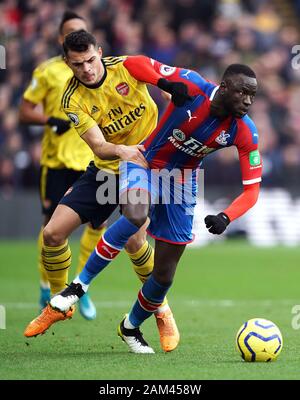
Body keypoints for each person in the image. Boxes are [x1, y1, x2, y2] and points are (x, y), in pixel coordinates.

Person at [35, 54, 262, 354]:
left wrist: (226, 216)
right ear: (224, 86)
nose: (247, 101)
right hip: (145, 162)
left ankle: (130, 326)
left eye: (252, 95)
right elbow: (135, 64)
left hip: (181, 181)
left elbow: (252, 191)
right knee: (135, 212)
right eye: (242, 92)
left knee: (165, 273)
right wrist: (163, 82)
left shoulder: (245, 130)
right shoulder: (193, 85)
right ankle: (77, 287)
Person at [23, 30, 193, 352]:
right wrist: (123, 150)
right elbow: (99, 146)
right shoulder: (71, 99)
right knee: (52, 234)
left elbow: (167, 82)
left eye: (90, 60)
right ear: (67, 64)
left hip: (148, 165)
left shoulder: (128, 67)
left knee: (135, 240)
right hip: (107, 169)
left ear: (99, 52)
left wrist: (172, 98)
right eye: (78, 64)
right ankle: (62, 301)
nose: (87, 69)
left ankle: (161, 310)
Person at [19, 11, 101, 320]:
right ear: (60, 40)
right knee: (51, 229)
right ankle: (47, 285)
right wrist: (48, 120)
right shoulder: (48, 72)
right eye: (70, 34)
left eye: (82, 31)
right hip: (56, 160)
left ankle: (82, 287)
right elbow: (24, 112)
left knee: (98, 226)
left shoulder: (101, 70)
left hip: (94, 160)